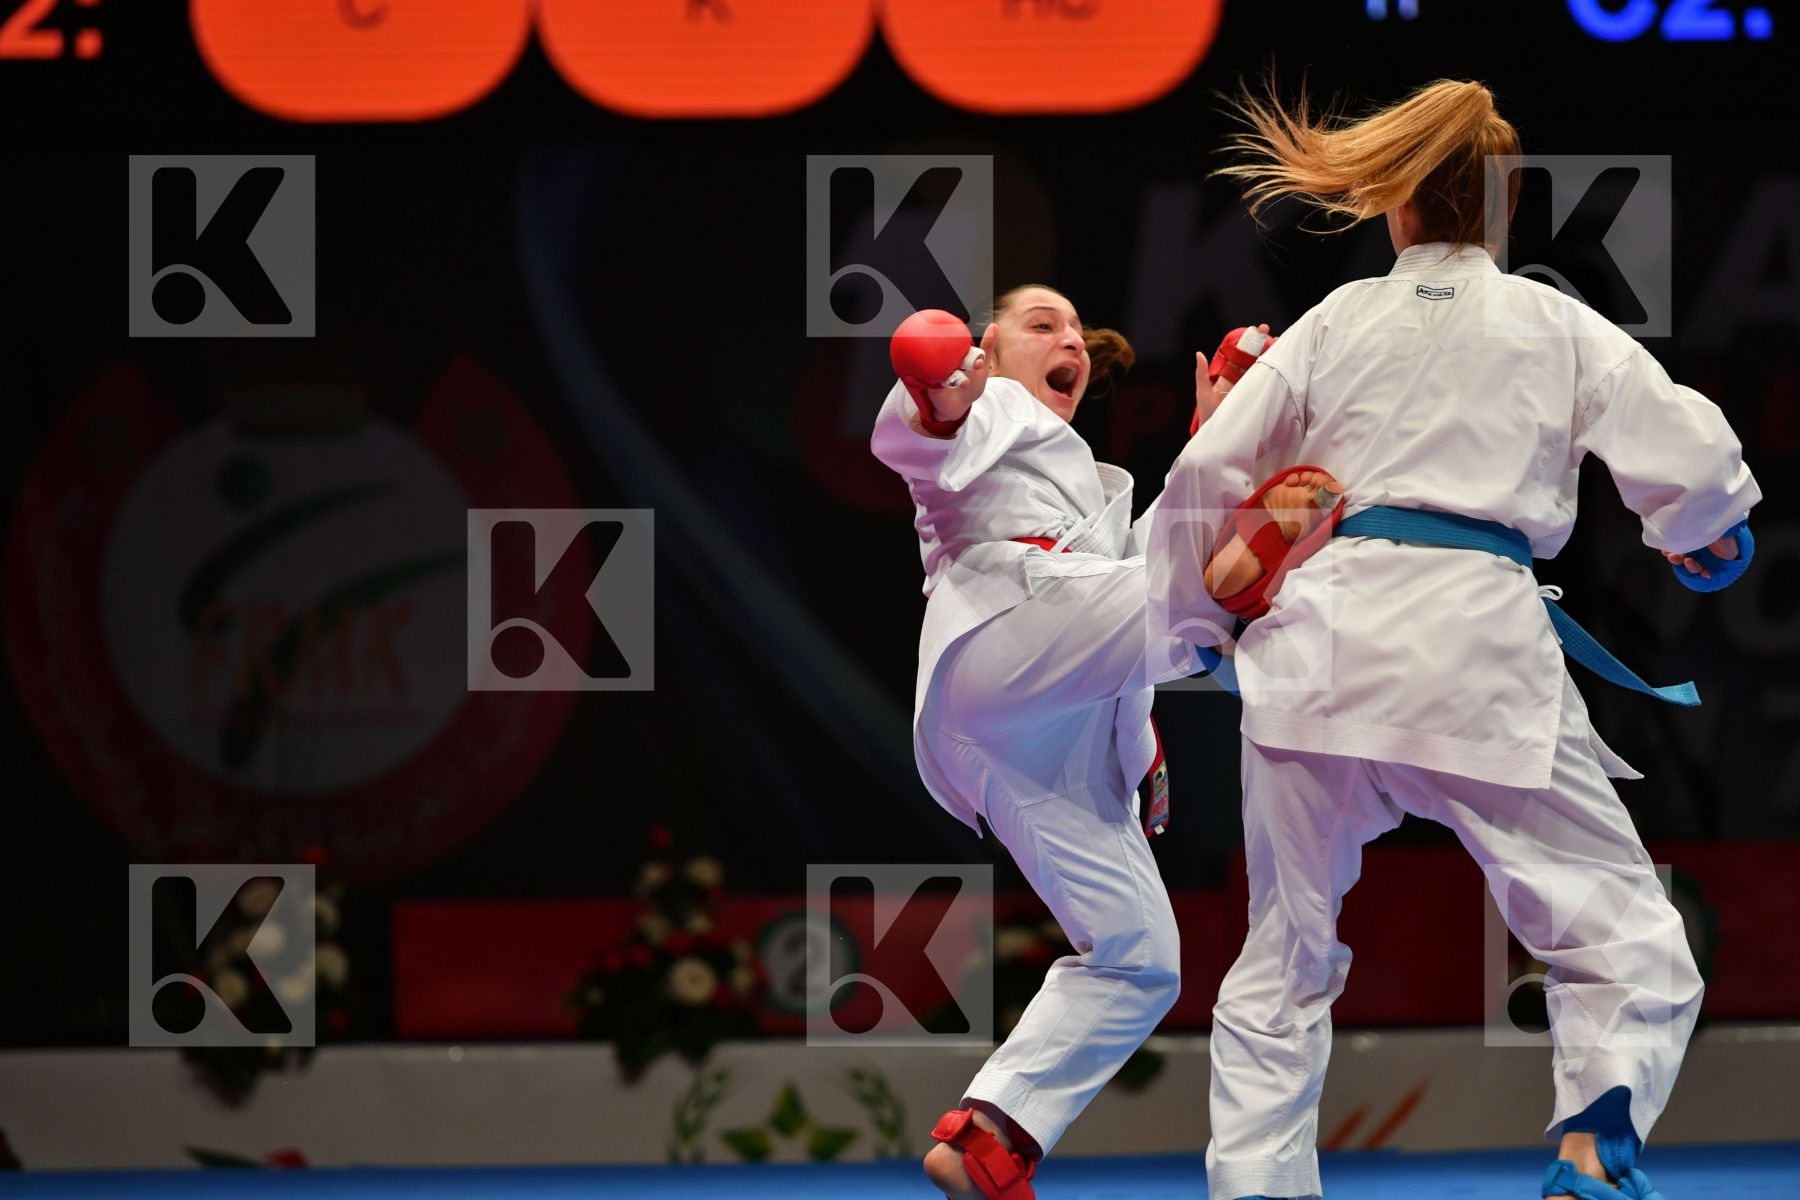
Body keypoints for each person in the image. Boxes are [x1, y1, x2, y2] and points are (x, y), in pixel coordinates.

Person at [1147, 79, 1760, 1200]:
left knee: (1281, 961)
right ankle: (1592, 1132)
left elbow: (1202, 475)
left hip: (1317, 649)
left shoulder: (1333, 324)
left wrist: (1191, 632)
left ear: (1397, 208)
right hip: (1473, 648)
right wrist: (1706, 532)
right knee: (1618, 931)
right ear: (1503, 209)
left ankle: (1256, 1192)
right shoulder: (1550, 320)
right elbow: (1689, 456)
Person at [872, 285, 1242, 1199]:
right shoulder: (984, 407)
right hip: (1001, 632)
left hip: (1034, 741)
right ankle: (1324, 605)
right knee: (1216, 591)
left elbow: (1133, 572)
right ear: (989, 349)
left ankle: (987, 1140)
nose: (1069, 339)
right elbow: (921, 437)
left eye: (1078, 331)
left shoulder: (1086, 481)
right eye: (1044, 325)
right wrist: (939, 390)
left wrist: (1208, 443)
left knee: (1139, 955)